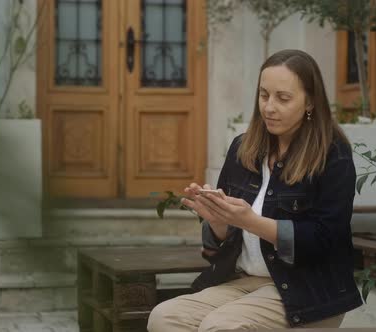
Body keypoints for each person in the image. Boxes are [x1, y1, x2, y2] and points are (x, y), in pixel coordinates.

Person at [147, 49, 362, 332]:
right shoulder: (242, 148)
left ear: (310, 101)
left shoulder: (332, 154)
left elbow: (325, 240)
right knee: (164, 318)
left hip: (307, 288)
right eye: (264, 95)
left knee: (220, 327)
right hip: (243, 280)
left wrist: (251, 221)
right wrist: (218, 222)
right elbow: (218, 246)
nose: (269, 107)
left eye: (282, 98)